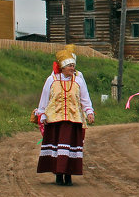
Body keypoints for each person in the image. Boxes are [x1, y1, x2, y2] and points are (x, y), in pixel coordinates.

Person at [34, 46, 94, 186]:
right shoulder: (52, 80)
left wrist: (89, 111)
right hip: (56, 121)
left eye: (73, 65)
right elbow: (44, 98)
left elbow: (85, 98)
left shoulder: (78, 80)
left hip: (73, 121)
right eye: (70, 66)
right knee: (57, 148)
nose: (73, 68)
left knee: (70, 147)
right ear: (62, 67)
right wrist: (42, 113)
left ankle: (68, 175)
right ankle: (59, 175)